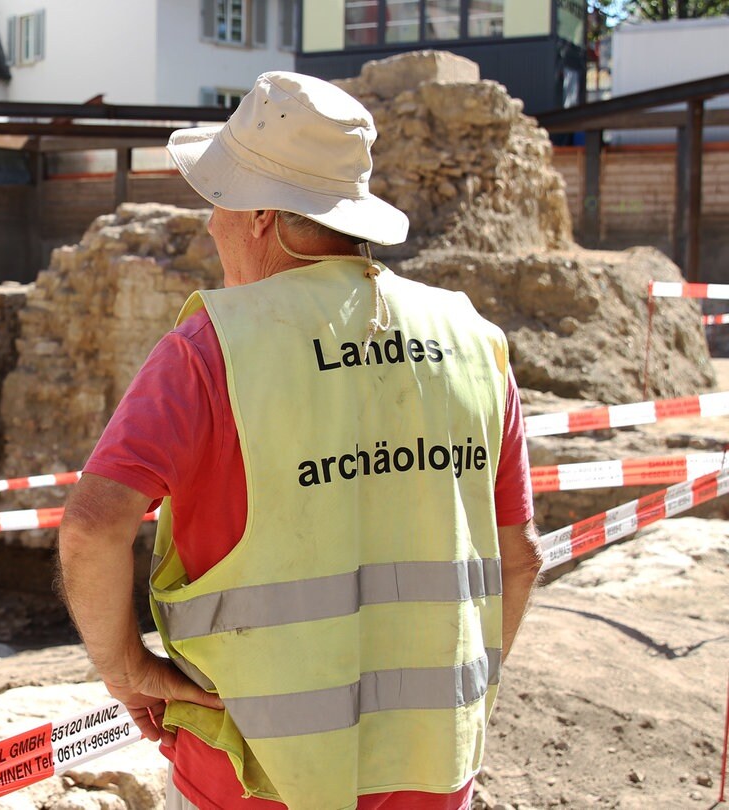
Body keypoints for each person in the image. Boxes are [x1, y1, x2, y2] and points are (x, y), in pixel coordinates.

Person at [56, 71, 542, 810]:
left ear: (261, 218)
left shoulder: (212, 348)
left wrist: (126, 670)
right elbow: (521, 559)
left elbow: (92, 527)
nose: (211, 224)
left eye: (219, 203)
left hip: (249, 775)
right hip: (432, 776)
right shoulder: (475, 342)